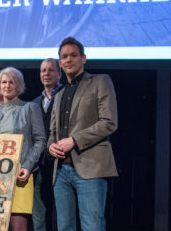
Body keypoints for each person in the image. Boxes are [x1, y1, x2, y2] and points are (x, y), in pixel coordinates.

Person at [48, 37, 118, 231]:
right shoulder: (59, 94)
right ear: (60, 63)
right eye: (64, 57)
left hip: (91, 167)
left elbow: (109, 122)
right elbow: (53, 131)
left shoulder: (100, 81)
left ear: (83, 58)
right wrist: (51, 145)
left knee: (92, 226)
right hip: (61, 170)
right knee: (64, 227)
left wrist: (74, 140)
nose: (68, 60)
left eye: (73, 55)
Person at [0, 67, 46, 231]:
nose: (6, 85)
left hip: (20, 175)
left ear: (19, 85)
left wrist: (27, 167)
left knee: (18, 225)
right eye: (3, 82)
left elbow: (40, 140)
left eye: (11, 82)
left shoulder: (29, 108)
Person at [32, 59, 63, 231]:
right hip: (39, 166)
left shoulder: (67, 95)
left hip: (60, 164)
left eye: (51, 70)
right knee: (39, 215)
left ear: (59, 74)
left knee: (61, 214)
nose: (46, 74)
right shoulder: (34, 102)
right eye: (43, 71)